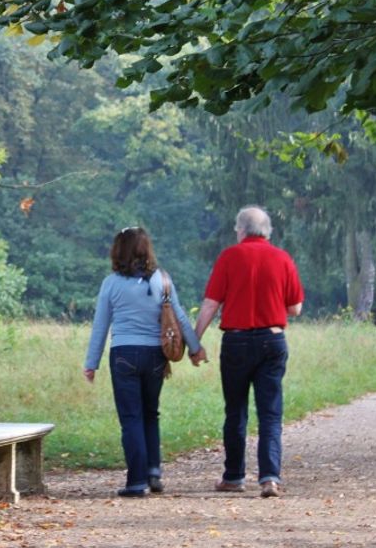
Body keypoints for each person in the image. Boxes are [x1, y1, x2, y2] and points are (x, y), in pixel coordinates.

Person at [83, 227, 205, 498]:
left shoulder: (111, 284)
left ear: (118, 251)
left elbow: (100, 326)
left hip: (124, 354)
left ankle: (136, 482)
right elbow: (180, 317)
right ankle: (153, 471)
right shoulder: (161, 280)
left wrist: (92, 363)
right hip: (155, 356)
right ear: (147, 250)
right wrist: (195, 348)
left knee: (131, 418)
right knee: (150, 413)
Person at [193, 206, 304, 499]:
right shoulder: (282, 258)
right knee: (270, 413)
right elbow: (295, 308)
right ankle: (269, 478)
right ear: (267, 230)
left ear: (240, 230)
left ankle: (234, 476)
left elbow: (210, 304)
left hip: (237, 342)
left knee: (236, 411)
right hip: (272, 340)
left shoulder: (230, 257)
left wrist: (195, 342)